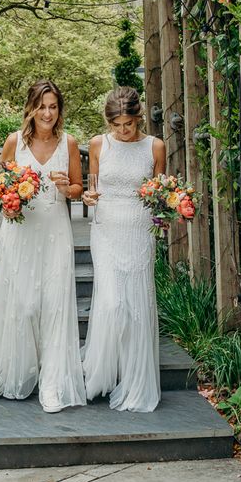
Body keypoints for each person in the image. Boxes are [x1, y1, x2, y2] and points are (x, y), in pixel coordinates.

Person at [0, 80, 86, 413]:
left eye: (53, 107)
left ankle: (52, 384)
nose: (48, 113)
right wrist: (7, 204)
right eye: (42, 106)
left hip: (55, 231)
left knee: (54, 306)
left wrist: (69, 189)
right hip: (21, 234)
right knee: (23, 306)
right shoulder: (14, 142)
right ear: (31, 108)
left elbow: (80, 189)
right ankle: (19, 374)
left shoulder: (69, 143)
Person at [81, 86, 166, 412]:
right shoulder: (99, 144)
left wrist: (169, 207)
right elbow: (92, 189)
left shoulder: (155, 147)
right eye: (116, 126)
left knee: (135, 309)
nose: (122, 131)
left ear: (138, 118)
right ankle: (100, 374)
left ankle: (133, 380)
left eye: (127, 125)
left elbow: (159, 194)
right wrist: (88, 199)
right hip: (105, 231)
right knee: (113, 303)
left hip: (139, 231)